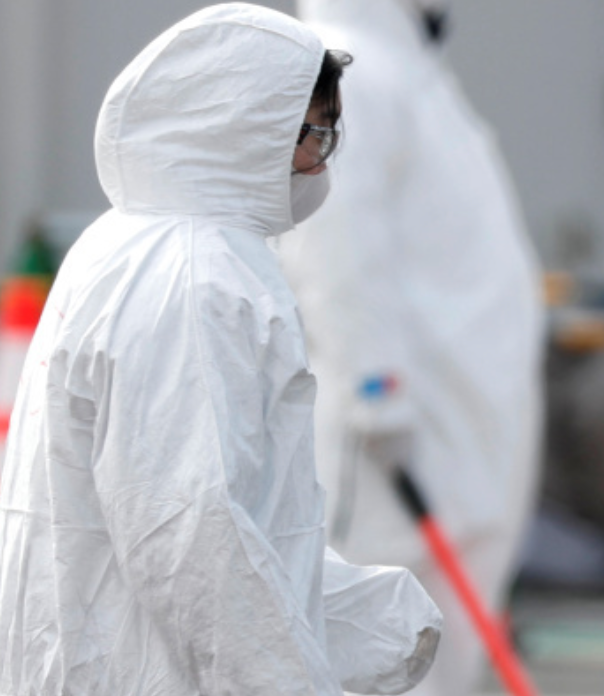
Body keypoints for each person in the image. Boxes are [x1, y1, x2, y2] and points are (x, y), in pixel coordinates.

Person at [0, 4, 442, 695]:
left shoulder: (138, 242)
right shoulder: (194, 277)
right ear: (243, 127)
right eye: (313, 135)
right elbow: (190, 537)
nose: (319, 163)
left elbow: (228, 519)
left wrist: (365, 615)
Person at [279, 1, 545, 694]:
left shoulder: (412, 72)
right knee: (378, 638)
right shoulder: (349, 66)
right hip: (398, 439)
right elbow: (338, 246)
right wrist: (376, 392)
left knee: (441, 642)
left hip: (456, 424)